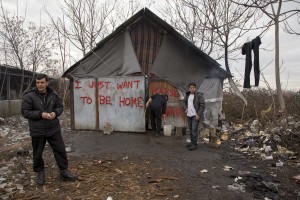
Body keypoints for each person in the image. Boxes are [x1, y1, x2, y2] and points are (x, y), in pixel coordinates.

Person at [21, 74, 77, 186]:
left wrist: (55, 113)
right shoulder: (29, 96)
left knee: (60, 150)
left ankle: (64, 172)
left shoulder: (53, 94)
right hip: (38, 130)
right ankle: (40, 172)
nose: (39, 85)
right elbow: (25, 112)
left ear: (47, 83)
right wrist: (40, 114)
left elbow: (60, 107)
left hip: (53, 128)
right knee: (37, 153)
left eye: (42, 82)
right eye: (37, 82)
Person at [183, 83, 205, 150]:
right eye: (190, 87)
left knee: (194, 130)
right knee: (190, 130)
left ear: (195, 88)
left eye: (193, 87)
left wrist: (198, 114)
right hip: (189, 115)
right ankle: (192, 142)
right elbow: (183, 102)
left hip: (195, 116)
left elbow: (202, 106)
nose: (191, 89)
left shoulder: (199, 95)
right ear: (189, 88)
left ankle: (194, 144)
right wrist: (186, 108)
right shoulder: (187, 95)